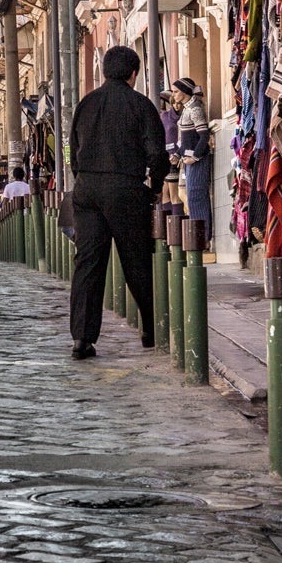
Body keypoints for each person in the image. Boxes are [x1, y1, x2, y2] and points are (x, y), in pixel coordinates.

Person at [68, 46, 170, 359]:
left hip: (86, 189)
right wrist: (153, 186)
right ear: (133, 74)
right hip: (125, 188)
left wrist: (84, 179)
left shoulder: (86, 104)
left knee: (88, 263)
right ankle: (152, 331)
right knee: (136, 261)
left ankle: (82, 340)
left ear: (103, 72)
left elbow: (74, 150)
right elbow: (156, 153)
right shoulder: (141, 105)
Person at [174, 77, 212, 246]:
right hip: (188, 161)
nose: (174, 95)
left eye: (176, 91)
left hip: (197, 161)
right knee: (192, 197)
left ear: (184, 91)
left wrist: (195, 156)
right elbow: (185, 139)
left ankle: (202, 239)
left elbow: (203, 135)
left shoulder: (195, 108)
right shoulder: (186, 109)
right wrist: (178, 154)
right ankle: (199, 239)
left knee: (197, 197)